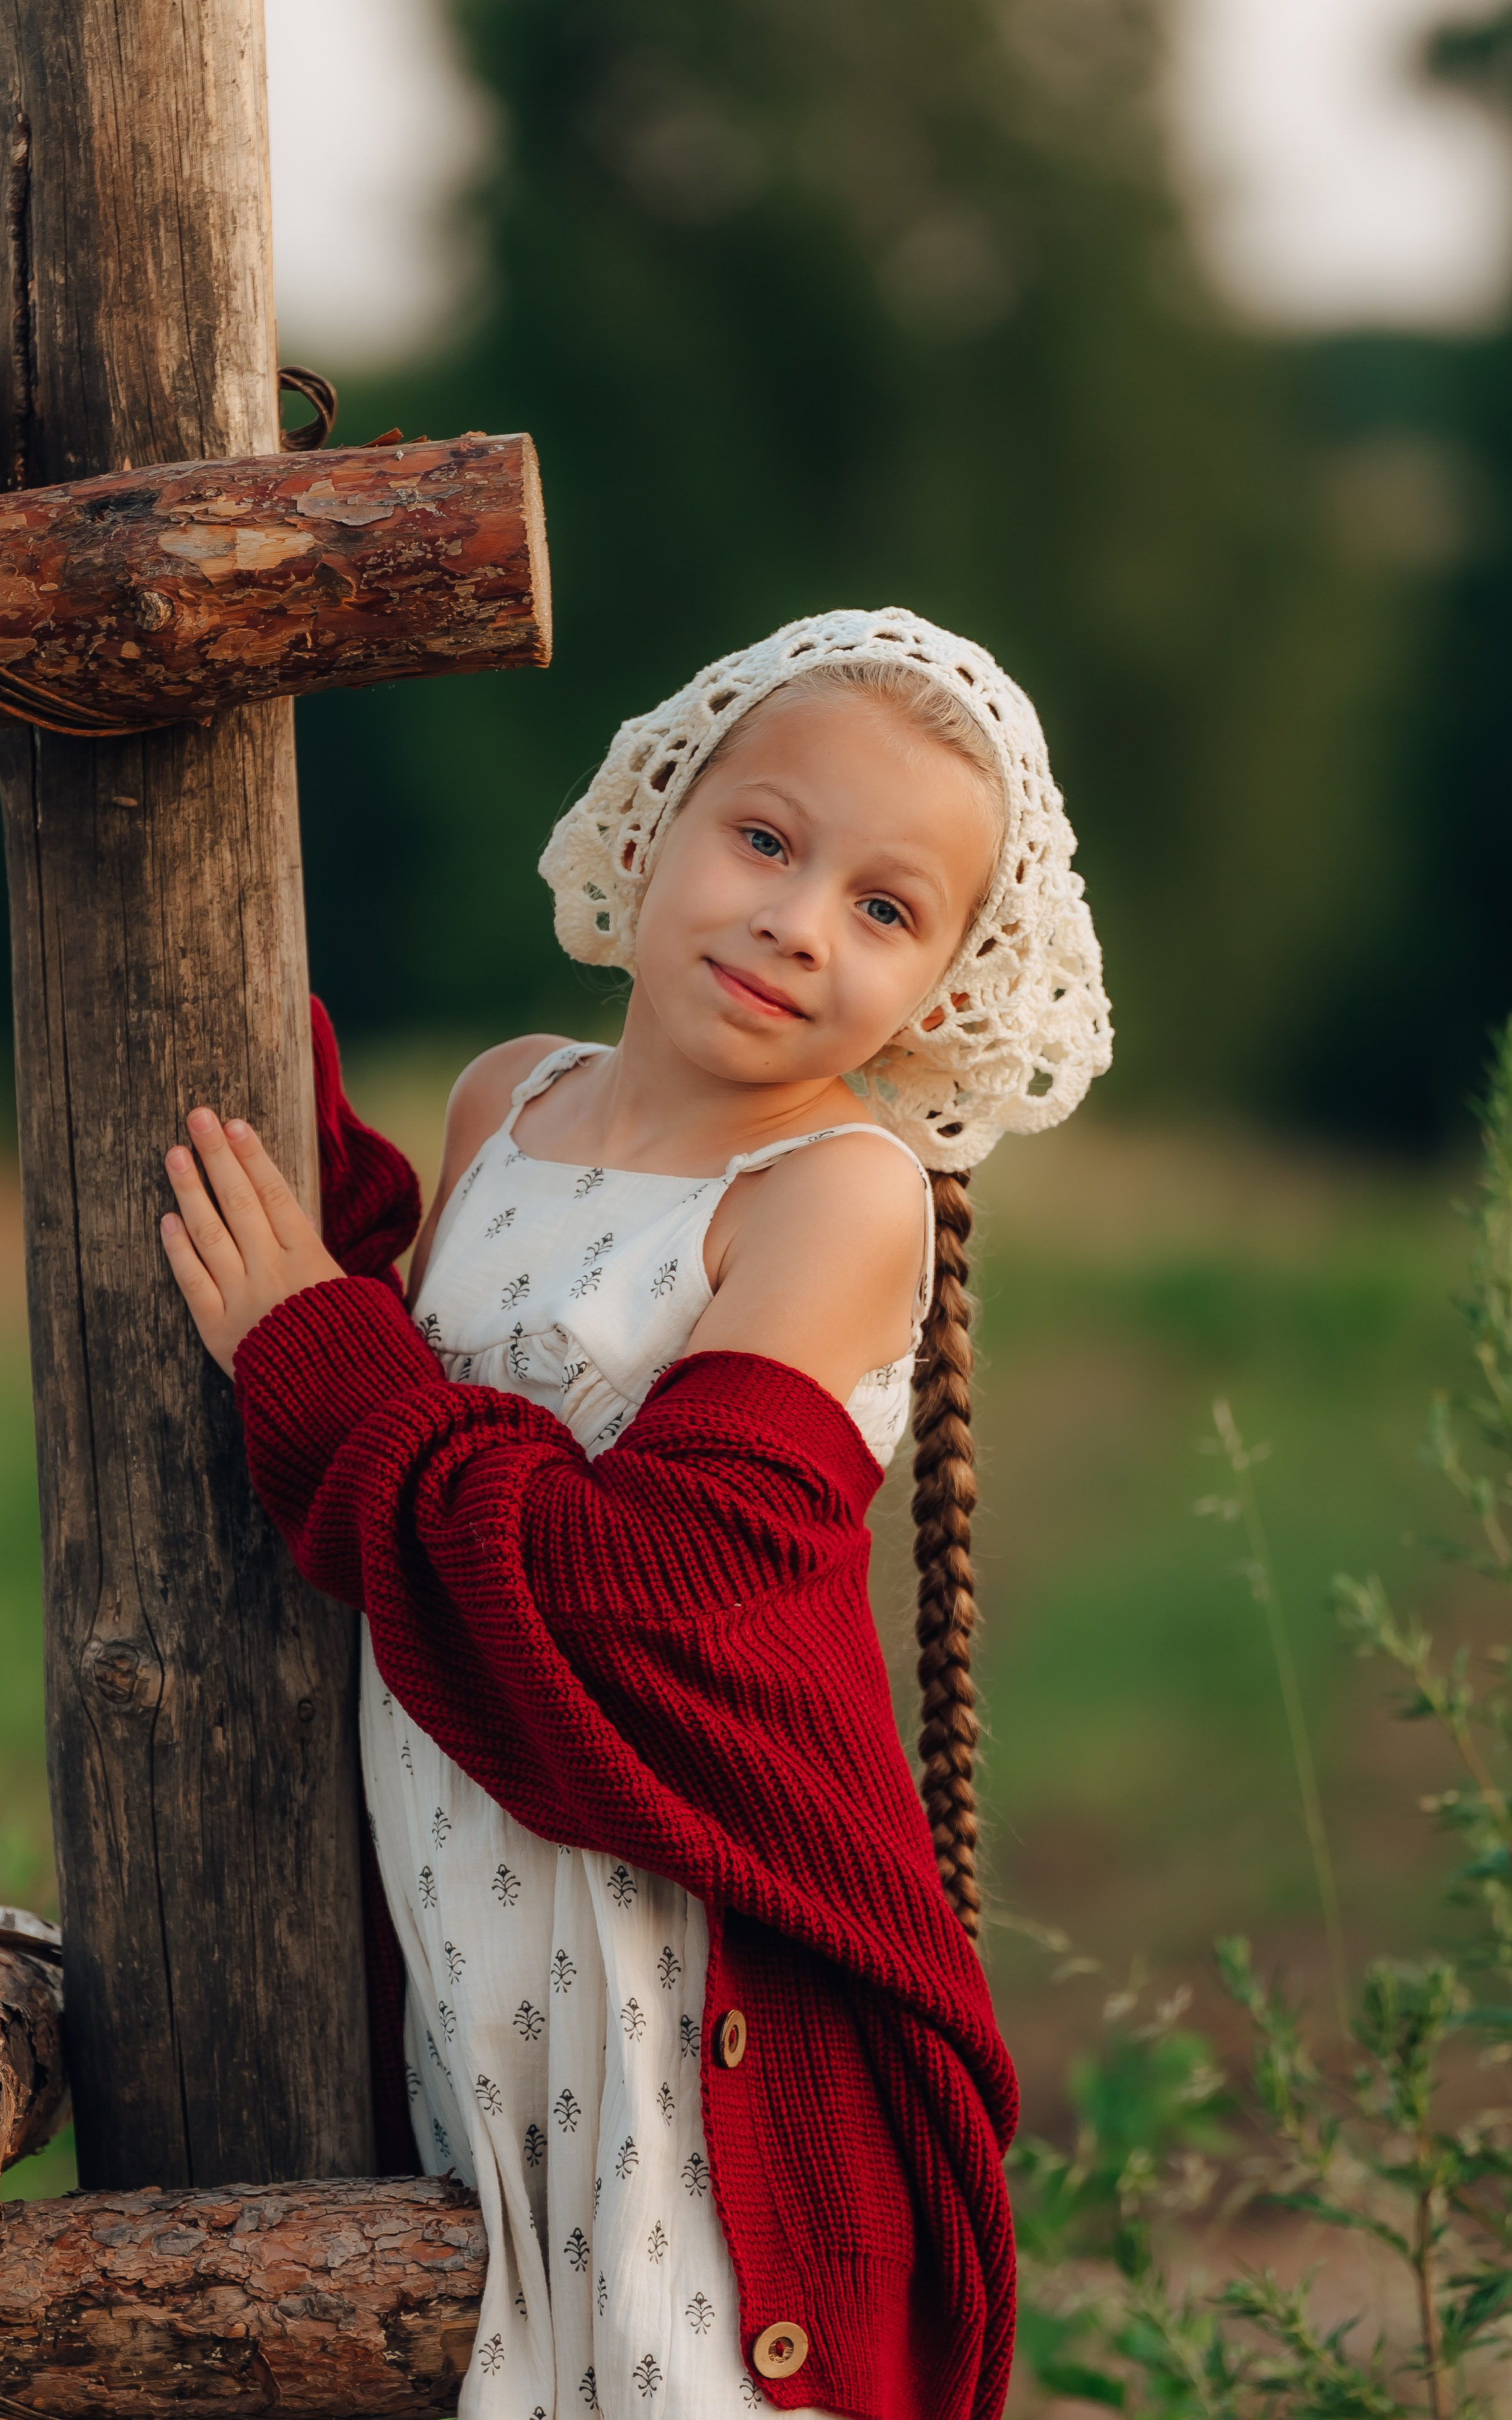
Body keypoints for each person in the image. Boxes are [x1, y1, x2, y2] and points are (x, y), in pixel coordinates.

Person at [157, 608, 1113, 2420]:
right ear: (657, 822)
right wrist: (243, 1069)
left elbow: (629, 1589)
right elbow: (416, 1415)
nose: (796, 922)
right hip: (469, 1927)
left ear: (946, 986)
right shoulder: (504, 1097)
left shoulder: (837, 1193)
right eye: (765, 839)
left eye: (885, 909)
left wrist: (315, 1346)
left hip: (683, 1973)